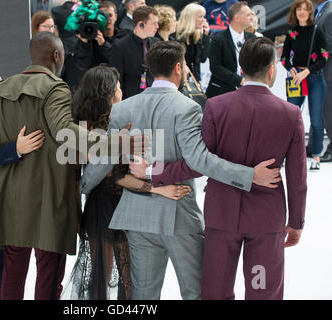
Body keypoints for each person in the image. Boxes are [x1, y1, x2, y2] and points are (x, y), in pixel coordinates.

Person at [0, 32, 143, 300]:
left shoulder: (1, 90)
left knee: (12, 276)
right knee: (48, 276)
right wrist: (114, 143)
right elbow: (66, 131)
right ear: (57, 56)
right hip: (50, 198)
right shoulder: (55, 88)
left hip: (10, 199)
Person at [80, 41, 281, 300]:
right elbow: (199, 160)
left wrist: (82, 187)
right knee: (196, 292)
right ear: (178, 68)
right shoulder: (187, 108)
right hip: (179, 215)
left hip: (137, 218)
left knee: (143, 295)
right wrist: (249, 175)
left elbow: (104, 159)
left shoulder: (122, 109)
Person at [141, 37, 306, 300]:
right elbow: (297, 177)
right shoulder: (290, 113)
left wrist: (154, 172)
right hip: (266, 217)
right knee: (262, 290)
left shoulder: (217, 106)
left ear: (241, 68)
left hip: (222, 213)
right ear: (272, 69)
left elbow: (198, 161)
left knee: (216, 291)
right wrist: (296, 222)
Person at [65, 65, 191, 300]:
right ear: (108, 92)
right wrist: (158, 189)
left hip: (111, 206)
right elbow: (112, 177)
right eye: (119, 87)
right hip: (112, 206)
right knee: (116, 281)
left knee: (114, 280)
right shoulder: (98, 128)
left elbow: (115, 174)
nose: (122, 91)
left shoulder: (94, 125)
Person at [281, 0, 328, 170]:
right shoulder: (291, 32)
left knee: (315, 119)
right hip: (295, 80)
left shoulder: (317, 31)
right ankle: (285, 154)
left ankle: (316, 156)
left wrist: (307, 71)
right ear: (295, 12)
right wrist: (292, 70)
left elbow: (324, 57)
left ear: (310, 12)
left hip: (314, 78)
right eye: (299, 9)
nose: (302, 12)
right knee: (290, 118)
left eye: (305, 10)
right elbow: (284, 57)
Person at [206, 1, 254, 98]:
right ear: (237, 18)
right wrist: (238, 80)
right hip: (222, 92)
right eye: (248, 15)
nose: (251, 18)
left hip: (248, 91)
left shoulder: (252, 38)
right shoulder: (218, 39)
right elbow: (215, 67)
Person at [110, 5, 159, 99]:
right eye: (154, 23)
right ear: (141, 24)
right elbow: (117, 79)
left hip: (153, 98)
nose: (157, 26)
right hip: (131, 99)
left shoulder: (156, 44)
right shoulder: (120, 46)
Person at [74, 1, 128, 82]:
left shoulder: (124, 36)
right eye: (103, 15)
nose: (107, 19)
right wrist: (85, 44)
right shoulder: (90, 37)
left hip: (116, 82)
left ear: (116, 17)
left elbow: (120, 61)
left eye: (110, 15)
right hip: (95, 82)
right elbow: (82, 66)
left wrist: (103, 44)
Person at [312, 0, 332, 163]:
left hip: (328, 71)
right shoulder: (321, 11)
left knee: (328, 109)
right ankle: (313, 145)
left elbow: (329, 43)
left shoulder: (330, 12)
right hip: (320, 70)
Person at [176, 2, 211, 82]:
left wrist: (206, 36)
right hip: (181, 79)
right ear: (190, 18)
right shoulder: (177, 35)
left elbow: (203, 59)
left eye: (203, 17)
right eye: (200, 17)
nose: (204, 20)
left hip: (195, 79)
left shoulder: (197, 35)